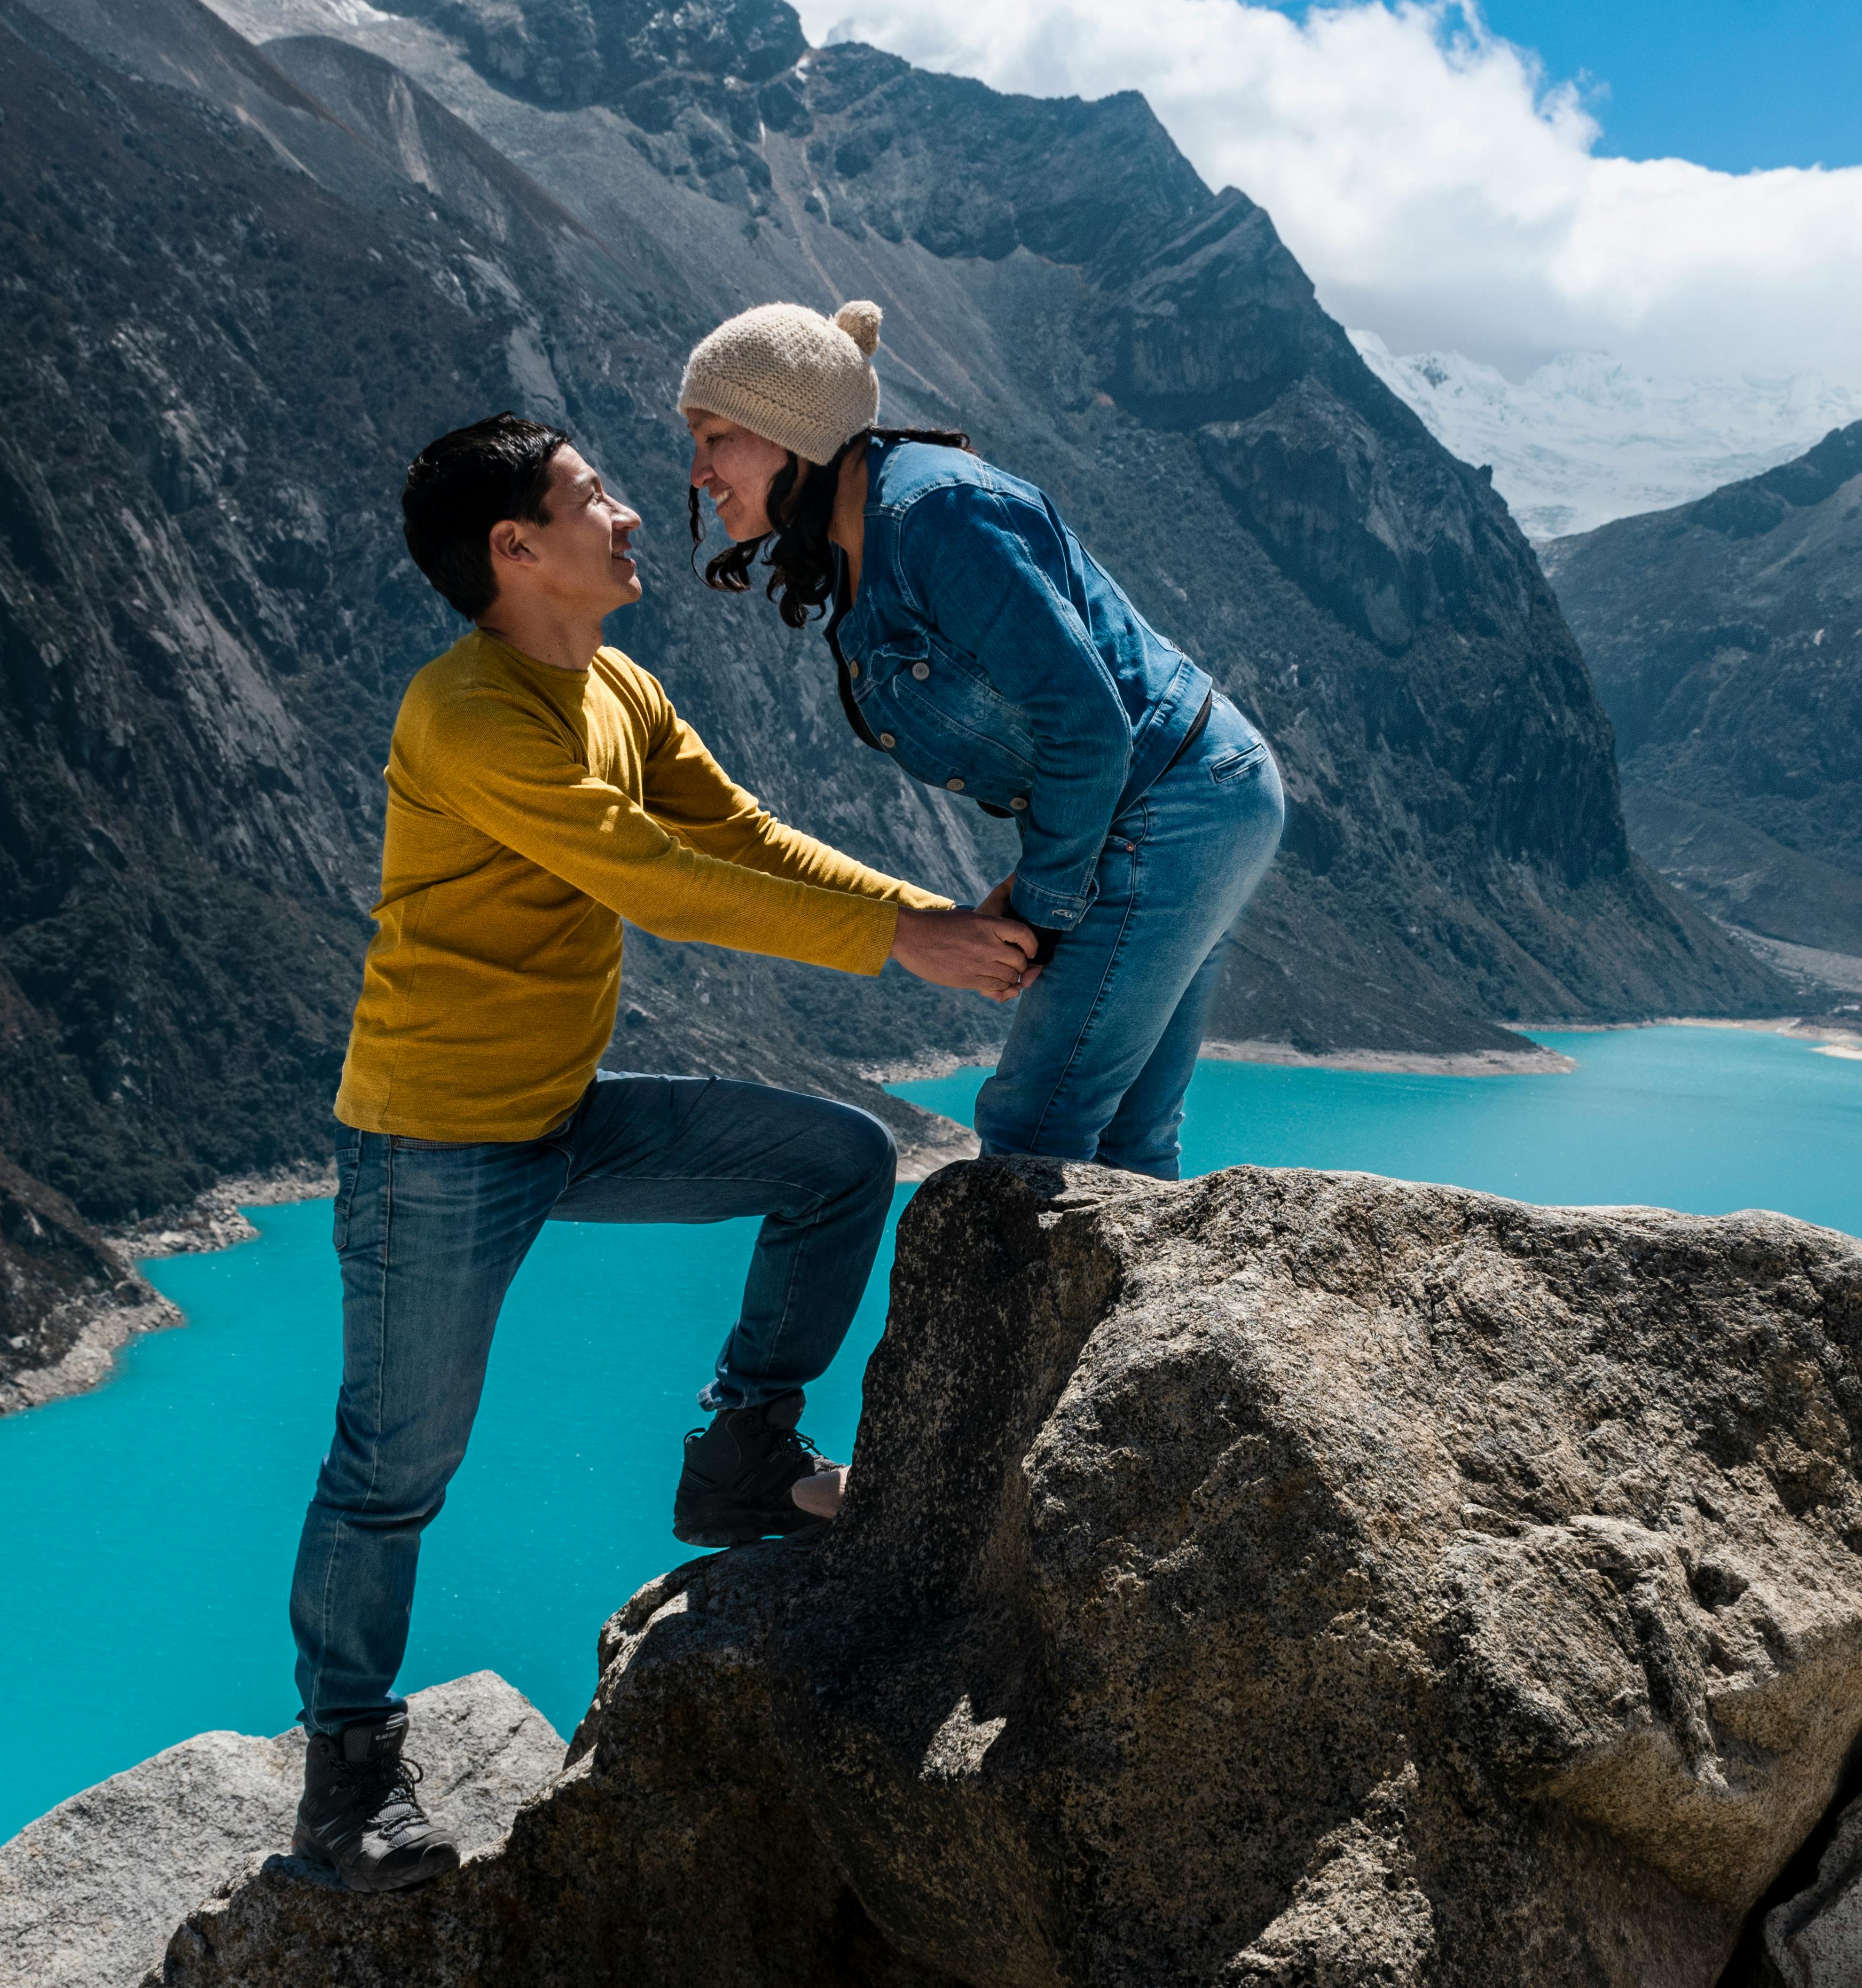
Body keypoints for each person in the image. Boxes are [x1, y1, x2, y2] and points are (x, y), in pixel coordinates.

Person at [286, 413, 1038, 1892]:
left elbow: (742, 838)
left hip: (561, 1115)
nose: (634, 514)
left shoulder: (615, 684)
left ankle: (745, 1450)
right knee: (393, 1474)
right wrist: (909, 945)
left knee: (836, 1160)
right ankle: (343, 1780)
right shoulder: (471, 718)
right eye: (593, 499)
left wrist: (935, 917)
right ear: (517, 551)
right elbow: (656, 881)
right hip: (434, 1149)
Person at [681, 301, 1285, 1181]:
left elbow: (1085, 722)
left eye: (714, 436)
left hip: (1175, 805)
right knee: (1123, 1139)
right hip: (1188, 796)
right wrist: (1036, 881)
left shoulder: (936, 513)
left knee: (1037, 1124)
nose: (697, 471)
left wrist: (1042, 911)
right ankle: (1131, 1323)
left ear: (791, 430)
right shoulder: (866, 538)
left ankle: (1044, 1324)